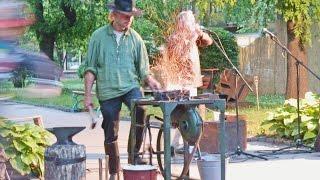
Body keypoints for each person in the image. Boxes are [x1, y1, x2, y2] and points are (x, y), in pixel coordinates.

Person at [83, 0, 161, 179]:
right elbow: (90, 69)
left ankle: (134, 158)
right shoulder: (98, 37)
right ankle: (113, 170)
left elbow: (143, 71)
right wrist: (87, 96)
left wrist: (152, 82)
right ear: (114, 15)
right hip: (108, 89)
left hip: (130, 86)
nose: (129, 20)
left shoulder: (136, 39)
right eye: (125, 16)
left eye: (131, 17)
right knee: (111, 128)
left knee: (140, 109)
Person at [168, 11, 213, 152]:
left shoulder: (194, 36)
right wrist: (193, 36)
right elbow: (179, 54)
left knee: (191, 112)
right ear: (181, 23)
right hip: (179, 82)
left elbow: (208, 42)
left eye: (193, 21)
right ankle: (181, 144)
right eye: (190, 21)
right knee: (184, 114)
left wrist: (200, 33)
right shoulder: (174, 38)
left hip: (192, 81)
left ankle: (179, 144)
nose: (193, 24)